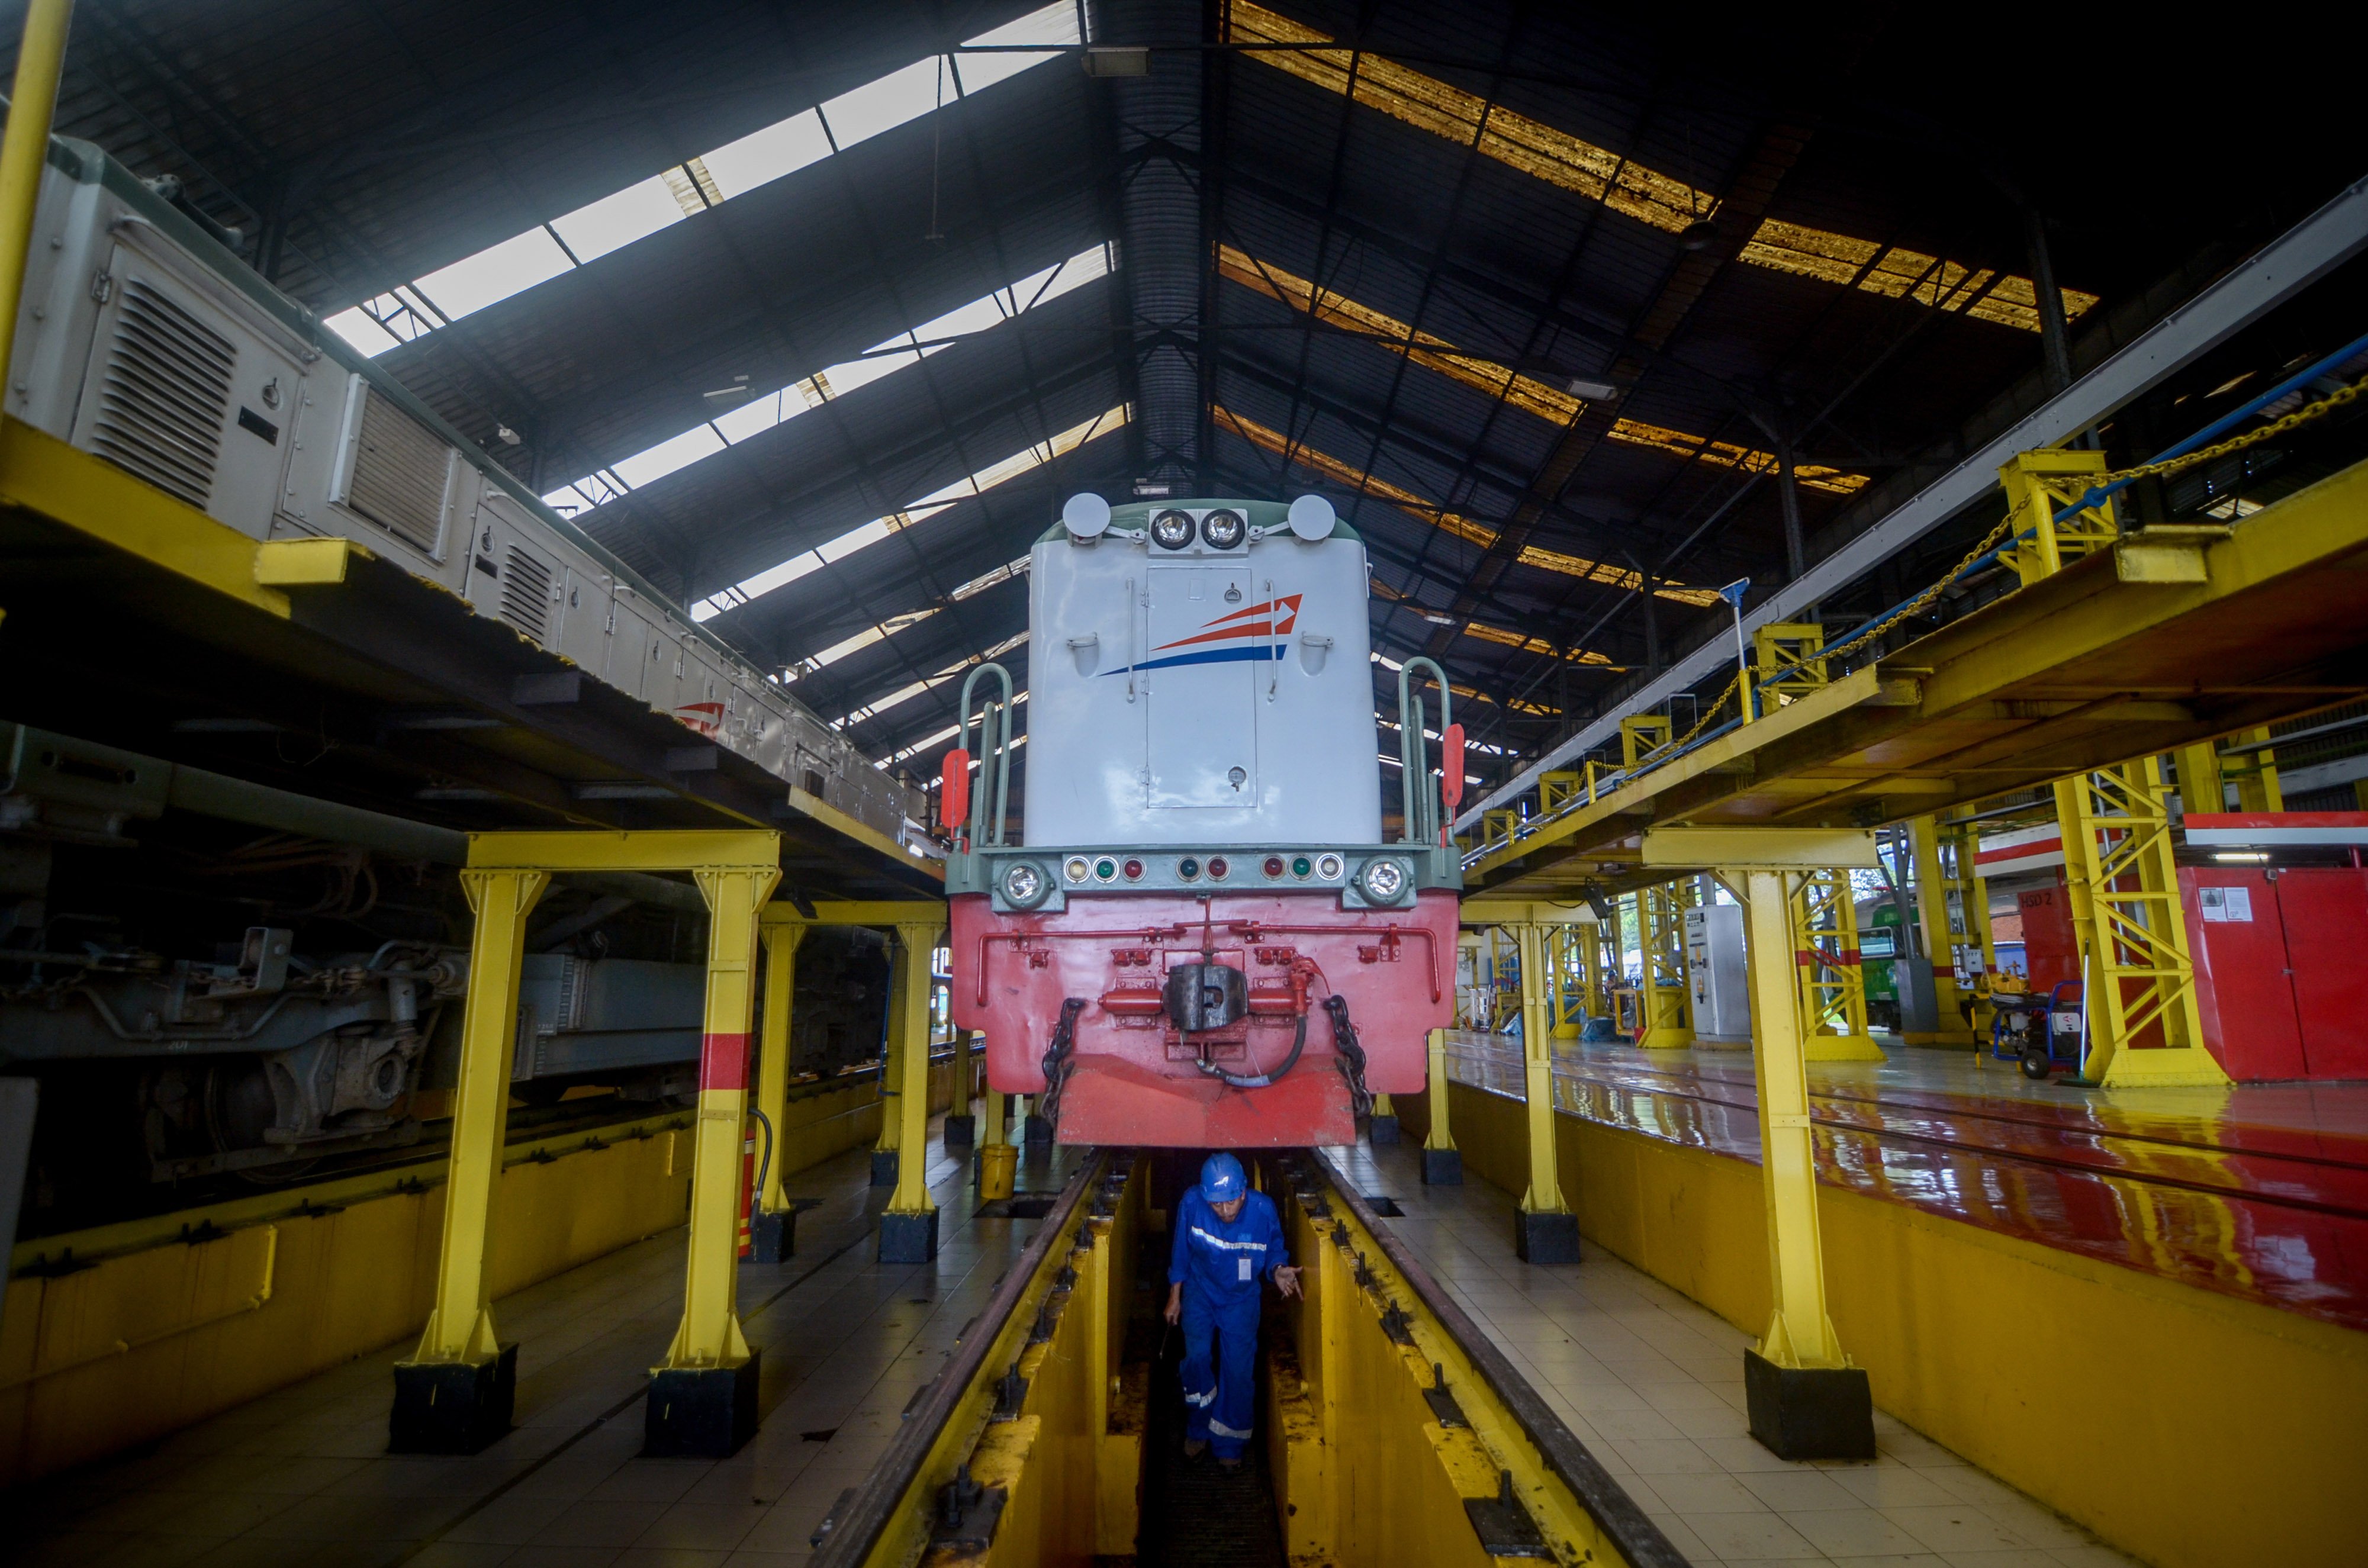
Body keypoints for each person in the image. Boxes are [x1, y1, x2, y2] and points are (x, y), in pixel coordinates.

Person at [1164, 1152, 1300, 1470]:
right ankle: (1198, 1426)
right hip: (1200, 1292)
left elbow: (1274, 1251)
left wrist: (1278, 1270)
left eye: (1230, 1202)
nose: (1224, 1211)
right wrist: (1175, 1297)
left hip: (1240, 1299)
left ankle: (1230, 1442)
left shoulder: (1263, 1210)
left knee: (1237, 1371)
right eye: (1216, 1204)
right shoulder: (1192, 1204)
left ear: (1243, 1192)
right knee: (1196, 1357)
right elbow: (1180, 1252)